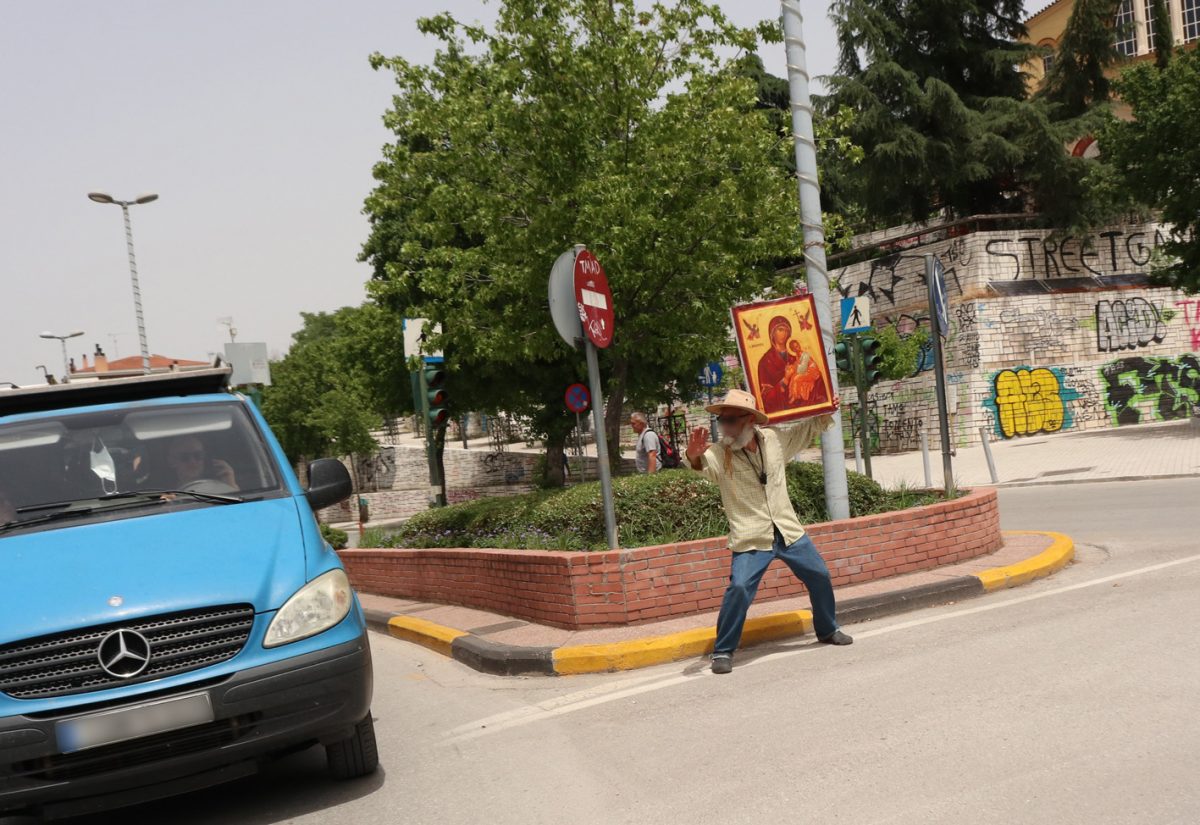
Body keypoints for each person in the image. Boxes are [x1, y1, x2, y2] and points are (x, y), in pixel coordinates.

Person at [685, 389, 852, 674]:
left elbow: (806, 429)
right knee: (739, 588)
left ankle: (827, 629)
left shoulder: (774, 440)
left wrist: (827, 409)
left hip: (787, 529)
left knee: (819, 575)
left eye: (730, 419)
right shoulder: (718, 453)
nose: (723, 426)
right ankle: (723, 651)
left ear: (749, 420)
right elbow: (701, 466)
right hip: (751, 535)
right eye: (721, 420)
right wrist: (693, 455)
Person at [757, 315, 828, 413]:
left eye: (787, 331)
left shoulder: (795, 357)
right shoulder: (765, 362)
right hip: (782, 416)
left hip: (804, 411)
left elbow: (813, 376)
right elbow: (765, 398)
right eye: (780, 330)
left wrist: (828, 402)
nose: (784, 334)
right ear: (772, 333)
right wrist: (785, 380)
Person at [164, 435, 238, 489]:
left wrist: (230, 484)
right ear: (172, 461)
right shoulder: (165, 494)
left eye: (198, 455)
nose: (192, 462)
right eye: (184, 457)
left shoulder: (220, 484)